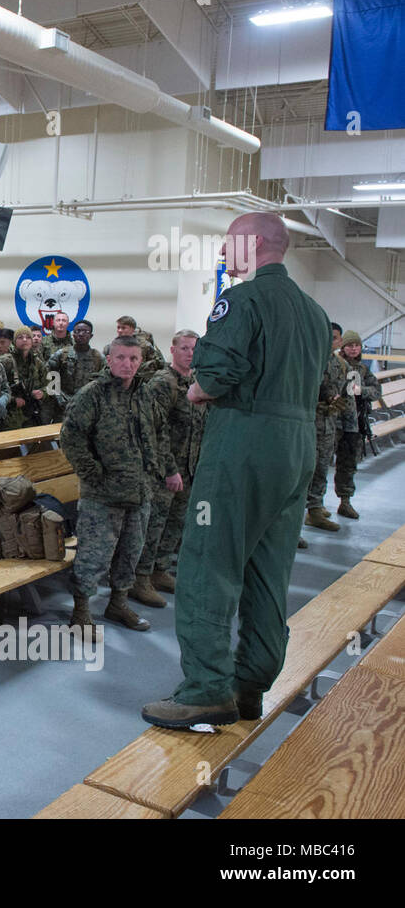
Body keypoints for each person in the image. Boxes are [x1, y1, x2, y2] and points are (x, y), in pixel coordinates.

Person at [142, 212, 328, 730]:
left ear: (252, 243)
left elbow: (214, 376)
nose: (224, 252)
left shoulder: (242, 300)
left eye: (228, 242)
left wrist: (199, 388)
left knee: (208, 564)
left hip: (244, 444)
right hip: (297, 447)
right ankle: (250, 686)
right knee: (270, 573)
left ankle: (205, 689)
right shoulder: (314, 312)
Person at [60, 335, 167, 631]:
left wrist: (159, 471)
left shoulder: (144, 394)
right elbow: (70, 437)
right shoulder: (92, 394)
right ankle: (81, 611)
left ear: (141, 361)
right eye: (120, 357)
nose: (127, 364)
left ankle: (118, 604)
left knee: (131, 552)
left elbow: (159, 434)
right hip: (102, 495)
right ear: (109, 359)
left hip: (140, 491)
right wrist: (92, 473)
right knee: (94, 555)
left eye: (133, 359)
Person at [133, 330, 205, 605]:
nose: (189, 353)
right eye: (184, 348)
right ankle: (139, 579)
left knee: (175, 523)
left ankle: (159, 570)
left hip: (188, 467)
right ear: (172, 351)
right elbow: (153, 430)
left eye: (193, 349)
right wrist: (169, 469)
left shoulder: (196, 381)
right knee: (153, 525)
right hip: (163, 470)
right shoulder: (163, 383)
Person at [332, 330, 381, 519]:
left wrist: (362, 390)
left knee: (348, 464)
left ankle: (345, 501)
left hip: (354, 424)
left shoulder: (362, 370)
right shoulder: (336, 365)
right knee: (320, 464)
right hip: (333, 421)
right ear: (343, 347)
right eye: (350, 345)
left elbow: (377, 391)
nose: (353, 349)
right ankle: (315, 505)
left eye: (356, 345)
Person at [305, 333, 351, 531]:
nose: (331, 341)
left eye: (334, 338)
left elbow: (348, 392)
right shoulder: (310, 359)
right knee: (304, 471)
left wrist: (339, 408)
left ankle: (315, 507)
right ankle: (299, 515)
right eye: (327, 337)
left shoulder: (342, 365)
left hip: (329, 425)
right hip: (309, 424)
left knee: (322, 467)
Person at [46, 319, 103, 414]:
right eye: (78, 331)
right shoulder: (62, 354)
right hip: (64, 406)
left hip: (89, 407)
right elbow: (49, 374)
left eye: (85, 331)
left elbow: (104, 381)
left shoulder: (98, 357)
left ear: (91, 336)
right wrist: (58, 396)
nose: (81, 334)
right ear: (73, 335)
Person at [6, 327, 48, 428]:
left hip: (32, 412)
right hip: (11, 414)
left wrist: (43, 393)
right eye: (20, 337)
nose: (25, 340)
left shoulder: (37, 362)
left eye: (28, 337)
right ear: (14, 341)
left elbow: (50, 385)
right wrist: (12, 399)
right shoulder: (6, 361)